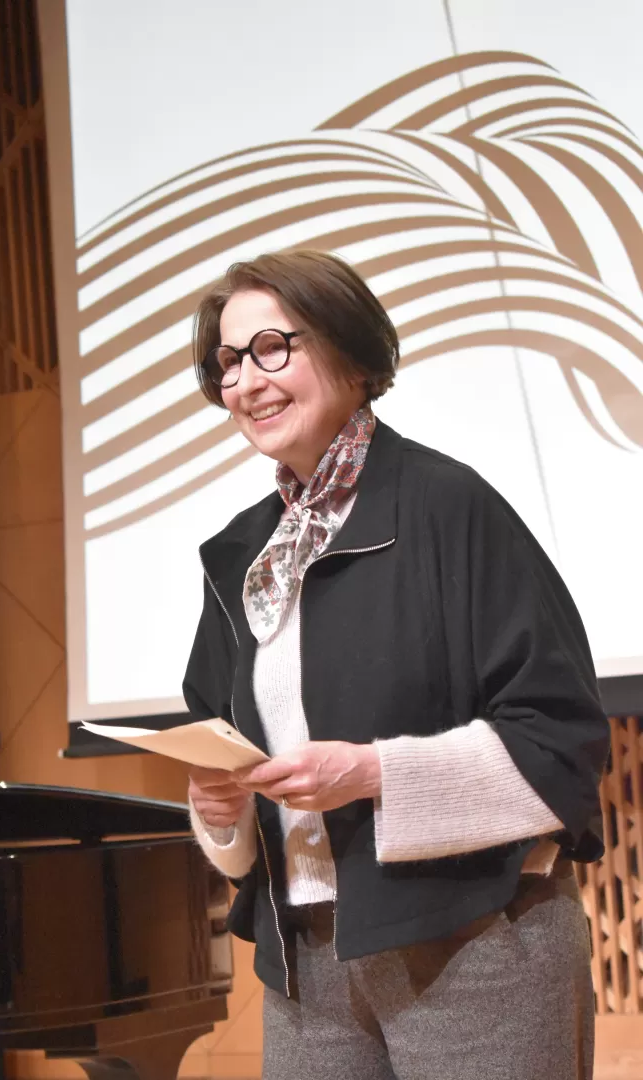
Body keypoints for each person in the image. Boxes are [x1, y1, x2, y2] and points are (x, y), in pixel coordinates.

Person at [182, 249, 609, 1080]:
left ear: (349, 351)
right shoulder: (242, 554)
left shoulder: (450, 508)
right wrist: (220, 806)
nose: (245, 381)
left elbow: (560, 742)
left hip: (476, 940)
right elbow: (220, 739)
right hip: (304, 958)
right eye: (228, 361)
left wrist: (376, 774)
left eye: (273, 348)